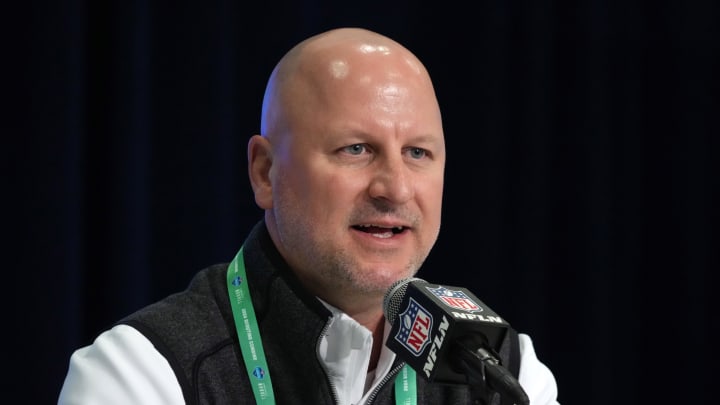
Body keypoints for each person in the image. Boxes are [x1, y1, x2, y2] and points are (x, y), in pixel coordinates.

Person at [58, 27, 559, 404]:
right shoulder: (141, 374)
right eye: (356, 148)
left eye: (418, 153)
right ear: (264, 172)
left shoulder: (508, 375)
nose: (396, 187)